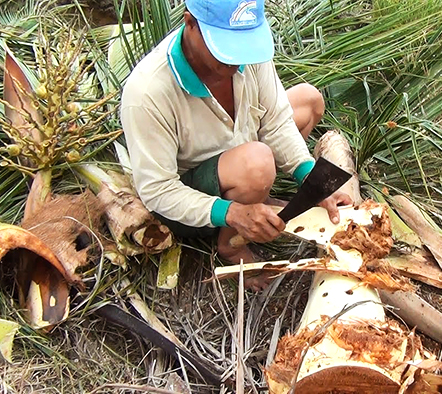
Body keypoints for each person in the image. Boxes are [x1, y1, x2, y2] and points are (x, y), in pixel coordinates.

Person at [120, 0, 352, 289]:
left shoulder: (247, 55)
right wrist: (230, 212)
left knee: (308, 100)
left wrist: (311, 180)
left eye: (245, 45)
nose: (236, 61)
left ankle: (255, 193)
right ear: (190, 23)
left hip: (245, 151)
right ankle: (230, 244)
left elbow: (277, 120)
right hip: (191, 195)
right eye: (226, 48)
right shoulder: (146, 93)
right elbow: (157, 190)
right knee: (257, 162)